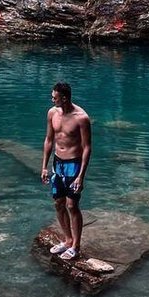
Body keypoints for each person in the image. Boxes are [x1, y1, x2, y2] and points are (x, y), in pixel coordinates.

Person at [41, 82, 91, 261]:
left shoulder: (81, 118)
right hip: (58, 163)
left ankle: (76, 246)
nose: (52, 99)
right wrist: (44, 166)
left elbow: (87, 148)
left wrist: (80, 176)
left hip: (74, 164)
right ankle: (67, 239)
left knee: (72, 205)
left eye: (54, 97)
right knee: (58, 203)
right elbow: (48, 140)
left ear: (64, 98)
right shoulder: (52, 113)